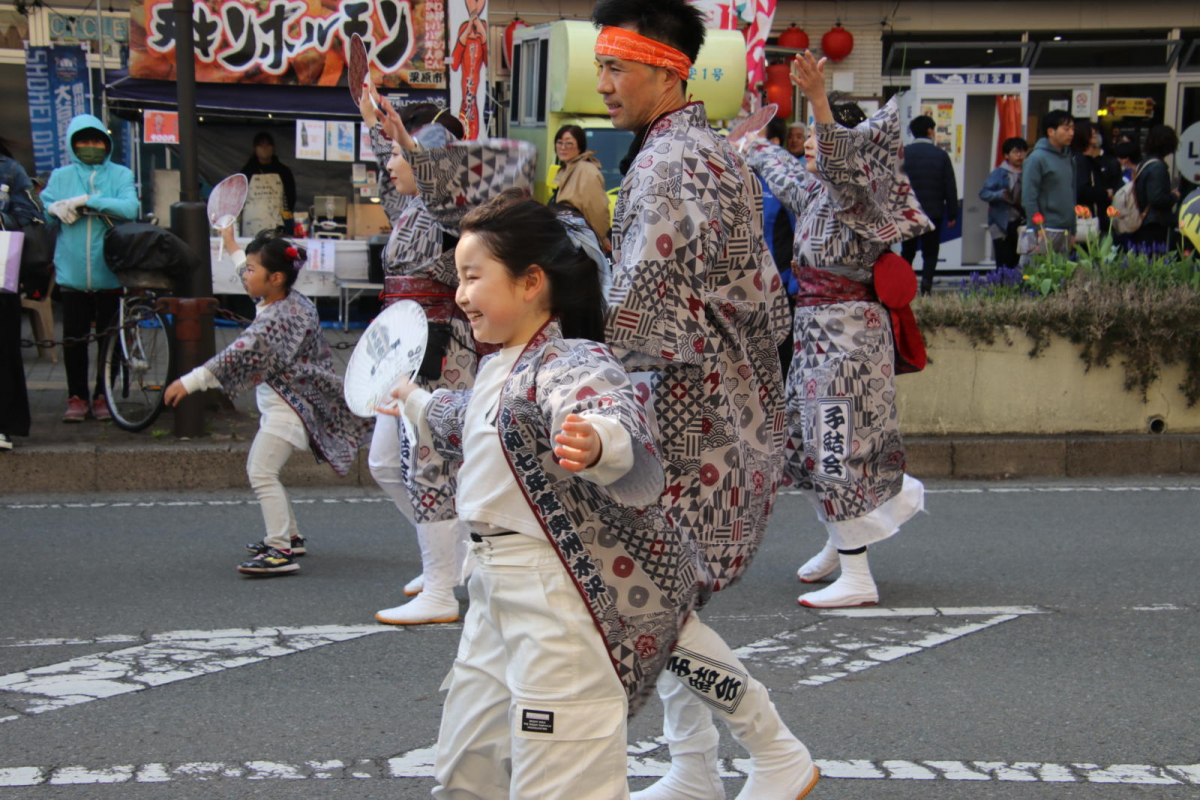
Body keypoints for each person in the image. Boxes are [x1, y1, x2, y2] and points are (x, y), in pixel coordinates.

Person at [381, 195, 703, 799]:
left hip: (554, 595)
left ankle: (750, 755)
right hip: (491, 590)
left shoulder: (571, 357)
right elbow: (459, 417)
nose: (460, 295)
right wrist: (412, 399)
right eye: (458, 279)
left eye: (473, 276)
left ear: (531, 282)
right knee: (467, 767)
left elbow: (603, 407)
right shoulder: (498, 366)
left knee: (560, 779)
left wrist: (599, 442)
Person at [594, 2, 818, 798]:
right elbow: (766, 301)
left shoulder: (666, 165)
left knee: (651, 600)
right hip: (727, 406)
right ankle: (693, 767)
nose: (603, 83)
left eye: (615, 66)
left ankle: (774, 749)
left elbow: (637, 314)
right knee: (668, 598)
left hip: (686, 417)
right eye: (601, 66)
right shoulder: (712, 151)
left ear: (666, 68)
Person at [743, 55, 932, 609]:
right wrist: (749, 144)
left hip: (847, 344)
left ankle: (857, 574)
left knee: (834, 445)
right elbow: (786, 174)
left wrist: (821, 101)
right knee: (803, 442)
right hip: (815, 336)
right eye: (810, 135)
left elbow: (840, 166)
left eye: (821, 137)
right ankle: (840, 538)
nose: (812, 144)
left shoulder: (860, 197)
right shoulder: (820, 196)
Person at [360, 88, 537, 624]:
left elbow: (442, 189)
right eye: (394, 155)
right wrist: (377, 127)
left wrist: (409, 144)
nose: (391, 165)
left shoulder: (450, 214)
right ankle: (449, 557)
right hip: (403, 344)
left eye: (401, 156)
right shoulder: (411, 208)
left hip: (442, 348)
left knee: (430, 461)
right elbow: (400, 175)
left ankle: (440, 589)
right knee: (385, 461)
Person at [164, 227, 372, 576]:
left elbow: (237, 354)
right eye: (245, 268)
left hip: (290, 409)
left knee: (261, 472)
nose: (245, 275)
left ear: (275, 278)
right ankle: (290, 536)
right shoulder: (288, 300)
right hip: (289, 403)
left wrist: (189, 382)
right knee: (265, 471)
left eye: (251, 270)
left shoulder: (279, 318)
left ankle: (279, 550)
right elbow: (250, 281)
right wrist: (231, 244)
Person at [41, 113, 139, 423]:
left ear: (107, 144)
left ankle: (102, 396)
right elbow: (44, 210)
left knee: (109, 341)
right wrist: (56, 207)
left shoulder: (121, 174)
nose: (91, 146)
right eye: (83, 141)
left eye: (97, 141)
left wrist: (90, 201)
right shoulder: (60, 176)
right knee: (74, 340)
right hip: (71, 274)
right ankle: (77, 397)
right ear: (72, 144)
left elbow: (131, 208)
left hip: (110, 271)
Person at [0, 140, 42, 451]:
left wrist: (3, 220)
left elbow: (34, 215)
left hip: (1, 271)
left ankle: (3, 425)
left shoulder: (9, 169)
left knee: (3, 349)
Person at [900, 114, 957, 295]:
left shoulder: (904, 154)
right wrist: (952, 213)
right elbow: (950, 186)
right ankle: (926, 284)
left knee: (907, 250)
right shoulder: (941, 155)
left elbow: (895, 183)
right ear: (930, 131)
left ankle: (904, 286)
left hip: (908, 212)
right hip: (933, 212)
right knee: (930, 251)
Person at [1022, 109, 1077, 255]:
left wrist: (1073, 230)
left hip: (1065, 229)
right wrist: (1038, 228)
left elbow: (1072, 195)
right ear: (1051, 131)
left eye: (1073, 128)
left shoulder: (1068, 158)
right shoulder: (1037, 158)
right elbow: (1029, 198)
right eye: (1066, 129)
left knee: (1063, 269)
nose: (1071, 133)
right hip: (1045, 229)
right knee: (1037, 268)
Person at [550, 124, 612, 251]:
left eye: (569, 143)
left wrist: (600, 240)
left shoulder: (586, 171)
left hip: (581, 244)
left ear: (580, 147)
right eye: (559, 143)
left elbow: (597, 211)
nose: (563, 147)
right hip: (567, 241)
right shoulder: (567, 169)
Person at [979, 136, 1027, 269]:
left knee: (1019, 260)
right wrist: (999, 194)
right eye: (1015, 152)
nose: (1019, 155)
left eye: (1022, 151)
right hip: (1001, 223)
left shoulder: (1028, 172)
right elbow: (983, 193)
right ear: (1006, 155)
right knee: (1003, 261)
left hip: (1022, 222)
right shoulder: (998, 173)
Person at [239, 132, 296, 236]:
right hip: (251, 226)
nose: (264, 148)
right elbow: (239, 197)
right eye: (261, 145)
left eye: (267, 144)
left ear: (273, 148)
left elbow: (291, 196)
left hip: (277, 224)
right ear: (254, 148)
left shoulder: (283, 171)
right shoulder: (247, 172)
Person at [1132, 124, 1179, 251]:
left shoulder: (1144, 164)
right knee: (1154, 257)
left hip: (1141, 219)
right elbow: (1156, 199)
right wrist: (1174, 196)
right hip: (1153, 222)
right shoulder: (1158, 167)